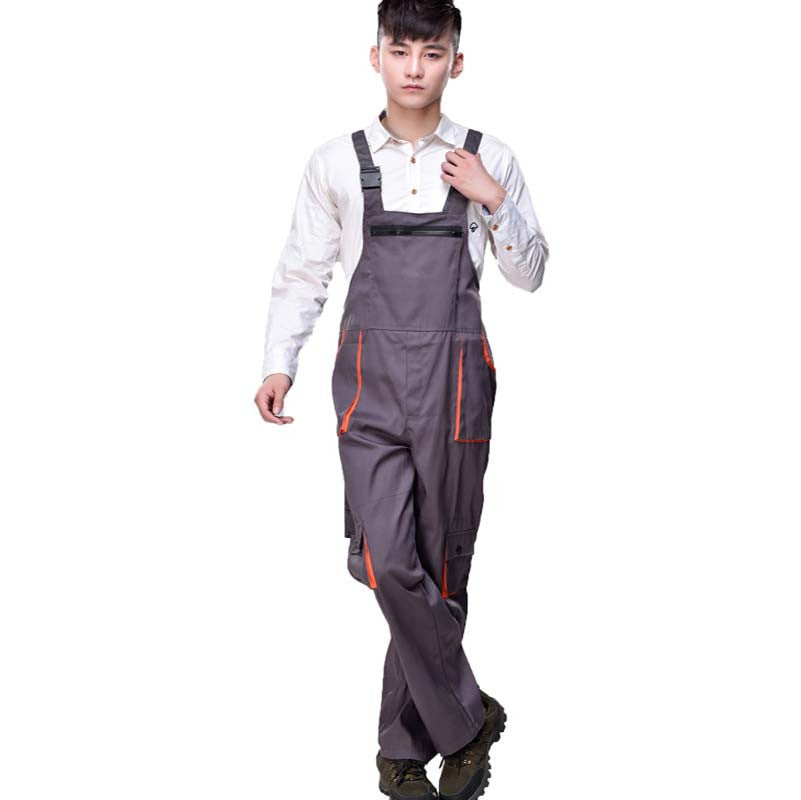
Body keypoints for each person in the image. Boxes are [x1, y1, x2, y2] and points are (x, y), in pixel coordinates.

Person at [254, 2, 549, 797]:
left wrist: (492, 197)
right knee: (385, 560)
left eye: (432, 52)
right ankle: (467, 716)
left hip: (456, 386)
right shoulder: (334, 162)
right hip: (369, 385)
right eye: (400, 50)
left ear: (457, 61)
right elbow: (302, 270)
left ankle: (400, 754)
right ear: (375, 55)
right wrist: (278, 362)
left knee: (439, 565)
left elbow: (529, 274)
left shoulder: (490, 156)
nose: (414, 67)